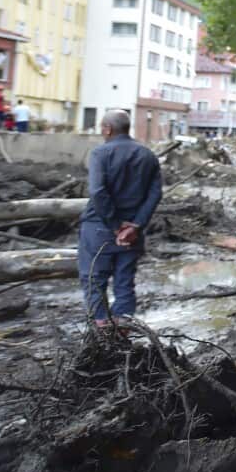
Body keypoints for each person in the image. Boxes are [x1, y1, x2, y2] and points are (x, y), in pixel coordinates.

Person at [78, 110, 163, 326]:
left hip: (99, 228)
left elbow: (98, 191)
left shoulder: (100, 153)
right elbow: (155, 194)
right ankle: (122, 332)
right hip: (133, 234)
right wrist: (136, 225)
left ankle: (103, 334)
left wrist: (116, 225)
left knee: (94, 281)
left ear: (107, 128)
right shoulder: (147, 155)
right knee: (124, 283)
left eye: (101, 128)